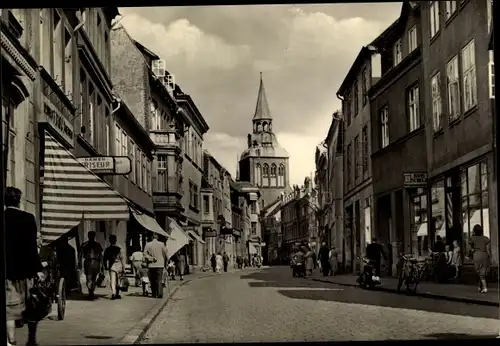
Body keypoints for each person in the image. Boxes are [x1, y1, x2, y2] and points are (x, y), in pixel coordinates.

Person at [5, 187, 44, 346]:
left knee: (10, 310)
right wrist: (38, 270)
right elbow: (31, 248)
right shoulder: (29, 218)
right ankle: (32, 338)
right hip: (27, 272)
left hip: (9, 272)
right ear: (19, 200)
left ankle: (11, 341)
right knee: (32, 305)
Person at [78, 231, 103, 299]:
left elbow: (80, 255)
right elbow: (101, 255)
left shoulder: (85, 244)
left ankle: (91, 291)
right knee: (92, 278)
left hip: (90, 262)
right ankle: (91, 291)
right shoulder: (96, 244)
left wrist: (79, 263)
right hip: (94, 262)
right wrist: (102, 264)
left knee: (90, 278)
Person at [143, 233, 169, 298]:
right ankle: (160, 293)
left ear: (152, 237)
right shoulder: (162, 244)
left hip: (151, 265)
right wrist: (167, 263)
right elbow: (166, 254)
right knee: (159, 280)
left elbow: (144, 254)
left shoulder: (148, 244)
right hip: (160, 265)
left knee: (153, 280)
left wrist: (151, 258)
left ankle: (154, 293)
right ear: (157, 237)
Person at [469, 224, 491, 293]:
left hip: (477, 254)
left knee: (479, 272)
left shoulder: (472, 238)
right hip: (484, 255)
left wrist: (470, 255)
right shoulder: (486, 238)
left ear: (474, 231)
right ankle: (479, 287)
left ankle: (484, 287)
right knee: (483, 271)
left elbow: (470, 249)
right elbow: (488, 249)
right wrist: (489, 257)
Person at [103, 235, 126, 300]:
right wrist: (124, 268)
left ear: (109, 241)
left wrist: (105, 266)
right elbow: (122, 259)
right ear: (116, 240)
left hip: (112, 266)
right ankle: (117, 294)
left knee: (112, 280)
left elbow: (104, 259)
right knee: (118, 281)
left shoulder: (107, 249)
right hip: (119, 266)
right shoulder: (119, 249)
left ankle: (113, 293)